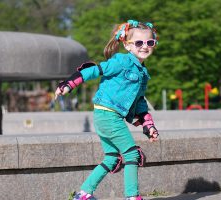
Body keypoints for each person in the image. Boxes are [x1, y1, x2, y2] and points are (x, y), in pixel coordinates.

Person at [55, 19, 159, 200]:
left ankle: (83, 194)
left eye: (149, 42)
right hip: (109, 115)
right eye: (139, 42)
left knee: (112, 157)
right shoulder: (121, 61)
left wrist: (148, 126)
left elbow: (140, 102)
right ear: (127, 45)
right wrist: (69, 84)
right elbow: (95, 70)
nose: (145, 46)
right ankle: (132, 196)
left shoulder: (143, 73)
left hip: (105, 116)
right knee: (132, 154)